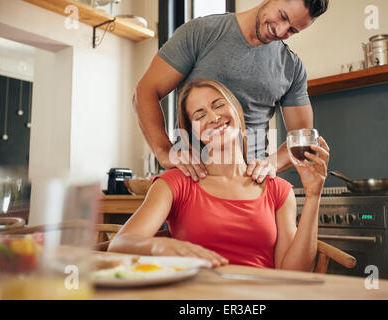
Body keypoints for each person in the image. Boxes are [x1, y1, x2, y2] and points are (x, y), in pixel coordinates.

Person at [109, 79, 330, 271]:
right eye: (200, 114)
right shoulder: (174, 183)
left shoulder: (278, 190)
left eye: (219, 105)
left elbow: (292, 272)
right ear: (193, 132)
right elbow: (120, 244)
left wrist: (313, 195)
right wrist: (159, 246)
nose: (214, 117)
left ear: (236, 111)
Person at [133, 0, 329, 184]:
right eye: (283, 17)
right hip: (191, 180)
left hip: (251, 186)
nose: (280, 30)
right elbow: (145, 92)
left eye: (292, 30)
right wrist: (164, 152)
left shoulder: (291, 67)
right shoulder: (201, 32)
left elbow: (302, 138)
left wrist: (272, 163)